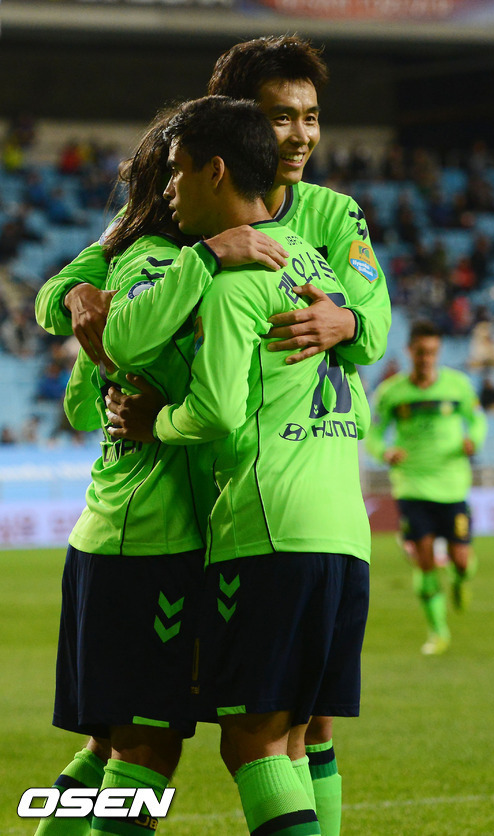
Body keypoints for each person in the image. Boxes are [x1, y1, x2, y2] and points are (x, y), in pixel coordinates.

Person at [35, 35, 391, 836]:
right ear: (233, 130)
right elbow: (71, 303)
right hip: (179, 528)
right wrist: (81, 301)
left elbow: (372, 329)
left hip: (236, 520)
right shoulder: (163, 228)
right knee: (142, 743)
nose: (296, 136)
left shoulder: (331, 216)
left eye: (309, 117)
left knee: (283, 730)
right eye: (277, 118)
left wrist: (345, 322)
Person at [104, 94, 371, 836]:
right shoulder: (313, 264)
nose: (170, 188)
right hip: (343, 532)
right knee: (294, 738)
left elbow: (217, 411)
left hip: (268, 529)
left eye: (179, 171)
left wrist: (156, 422)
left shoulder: (232, 282)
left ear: (215, 171)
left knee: (251, 743)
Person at [33, 112, 290, 836]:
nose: (179, 185)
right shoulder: (154, 259)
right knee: (146, 747)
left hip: (124, 532)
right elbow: (102, 345)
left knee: (109, 745)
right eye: (172, 171)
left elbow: (81, 397)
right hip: (148, 536)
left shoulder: (140, 260)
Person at [365, 320, 487, 655]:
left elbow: (477, 419)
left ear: (439, 351)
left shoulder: (458, 386)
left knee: (461, 560)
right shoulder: (391, 392)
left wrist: (474, 440)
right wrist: (384, 452)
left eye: (431, 352)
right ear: (410, 351)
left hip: (452, 486)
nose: (426, 358)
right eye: (420, 352)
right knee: (424, 560)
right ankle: (438, 632)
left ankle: (460, 581)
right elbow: (373, 432)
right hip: (412, 486)